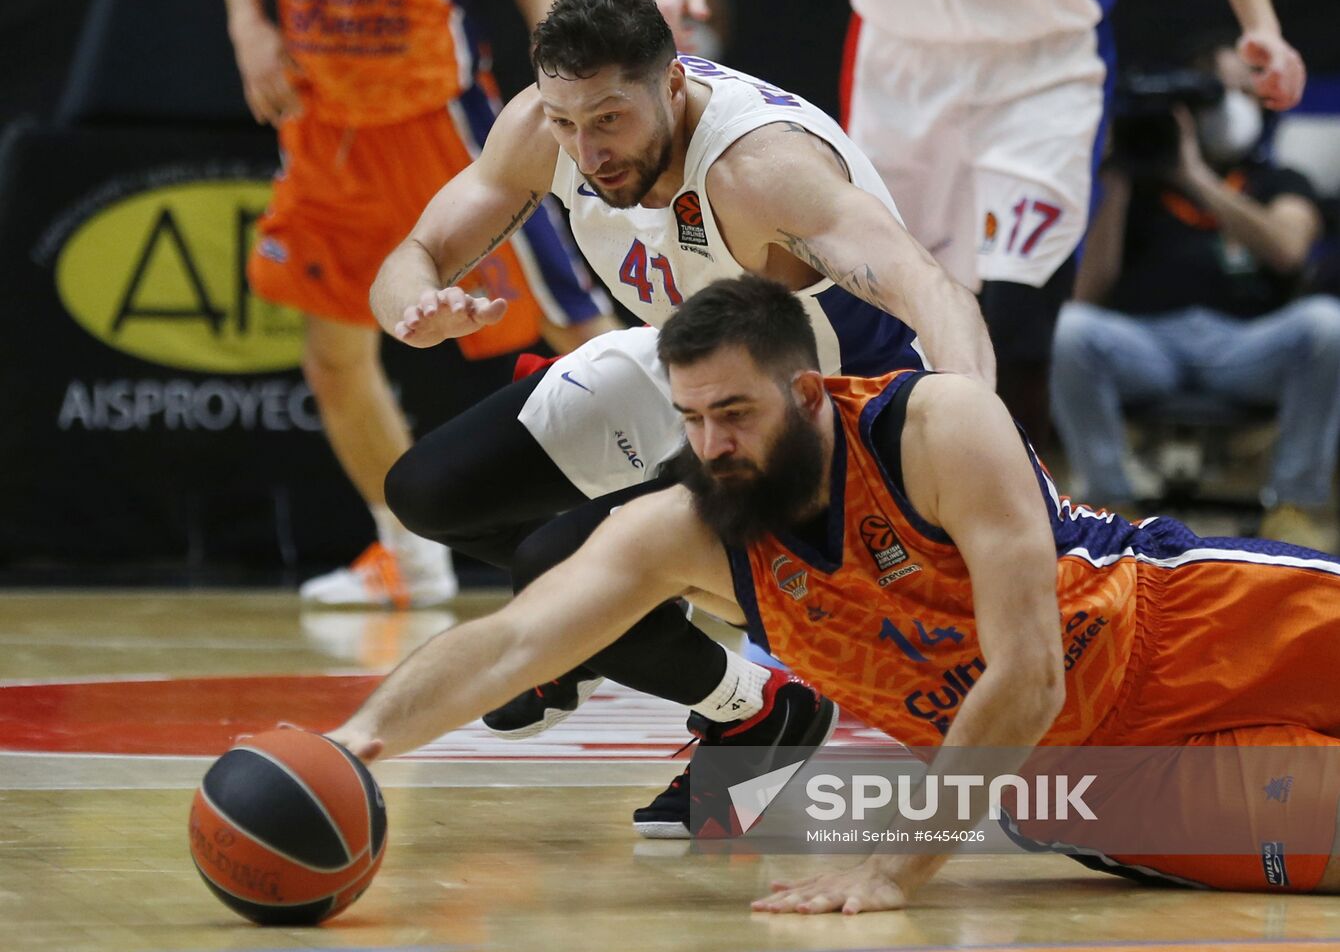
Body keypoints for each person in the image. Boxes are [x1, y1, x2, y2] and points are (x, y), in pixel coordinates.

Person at [328, 276, 1340, 912]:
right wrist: (355, 741)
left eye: (734, 412)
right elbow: (510, 645)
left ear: (806, 394)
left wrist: (891, 870)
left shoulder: (935, 427)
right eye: (691, 418)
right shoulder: (683, 529)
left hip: (1190, 623)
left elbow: (1026, 672)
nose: (712, 443)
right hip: (1088, 784)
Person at [369, 0, 993, 832]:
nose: (586, 152)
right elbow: (415, 252)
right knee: (428, 491)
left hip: (820, 412)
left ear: (671, 86)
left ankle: (734, 695)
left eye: (608, 121)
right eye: (565, 124)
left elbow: (935, 290)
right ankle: (673, 666)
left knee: (559, 565)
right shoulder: (545, 125)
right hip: (692, 369)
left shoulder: (758, 168)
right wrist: (417, 312)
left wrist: (970, 438)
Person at [649, 0, 1307, 442]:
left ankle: (1014, 511)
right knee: (871, 293)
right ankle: (869, 499)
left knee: (1019, 311)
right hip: (902, 53)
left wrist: (1261, 21)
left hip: (1046, 60)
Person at [218, 0, 618, 608]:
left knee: (572, 320)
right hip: (324, 114)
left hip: (433, 109)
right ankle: (409, 557)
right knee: (333, 358)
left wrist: (553, 43)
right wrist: (246, 23)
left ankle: (685, 523)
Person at [1051, 40, 1332, 550]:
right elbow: (1086, 294)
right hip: (1146, 347)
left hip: (1246, 348)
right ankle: (1110, 506)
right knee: (1070, 329)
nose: (1231, 105)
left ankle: (1293, 503)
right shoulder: (1136, 184)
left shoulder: (1278, 179)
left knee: (1326, 325)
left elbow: (1290, 249)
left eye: (1243, 93)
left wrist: (1192, 176)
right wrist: (1116, 176)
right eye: (1218, 94)